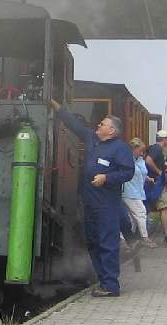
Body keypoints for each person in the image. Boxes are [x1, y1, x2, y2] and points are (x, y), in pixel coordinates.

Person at [58, 110, 135, 296]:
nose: (98, 126)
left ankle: (111, 285)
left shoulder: (120, 149)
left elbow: (128, 172)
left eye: (102, 124)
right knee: (92, 242)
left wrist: (106, 178)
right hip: (89, 203)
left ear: (112, 130)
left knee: (107, 243)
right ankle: (103, 281)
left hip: (107, 205)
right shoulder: (93, 139)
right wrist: (58, 108)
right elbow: (76, 126)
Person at [121, 138, 155, 247]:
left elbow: (141, 173)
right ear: (133, 149)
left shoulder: (139, 159)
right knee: (141, 212)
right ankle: (145, 237)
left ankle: (126, 240)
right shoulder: (125, 159)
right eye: (140, 150)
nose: (142, 153)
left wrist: (148, 178)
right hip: (128, 191)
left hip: (138, 191)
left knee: (132, 218)